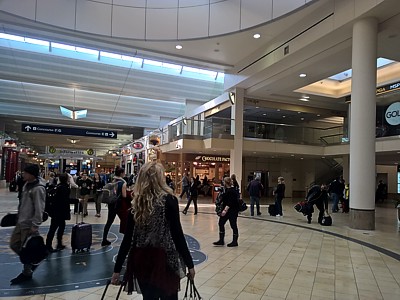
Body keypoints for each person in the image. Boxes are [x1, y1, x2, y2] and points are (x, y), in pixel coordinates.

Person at [110, 162, 195, 299]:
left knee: (149, 297)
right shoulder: (169, 200)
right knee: (169, 297)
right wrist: (189, 264)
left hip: (142, 259)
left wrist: (117, 269)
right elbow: (177, 235)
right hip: (165, 259)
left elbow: (128, 239)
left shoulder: (137, 202)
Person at [9, 164, 46, 285]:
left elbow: (39, 208)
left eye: (25, 173)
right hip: (21, 221)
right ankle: (31, 261)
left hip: (29, 224)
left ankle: (27, 271)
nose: (23, 174)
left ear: (31, 174)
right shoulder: (26, 185)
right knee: (14, 244)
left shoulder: (38, 188)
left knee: (27, 249)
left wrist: (35, 224)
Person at [101, 166, 127, 246]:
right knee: (125, 221)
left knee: (109, 222)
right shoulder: (123, 183)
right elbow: (124, 195)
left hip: (111, 204)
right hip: (119, 205)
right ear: (121, 173)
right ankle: (127, 240)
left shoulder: (113, 181)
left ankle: (104, 239)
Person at [45, 173, 71, 252]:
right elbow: (65, 200)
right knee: (54, 228)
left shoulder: (57, 187)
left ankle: (58, 243)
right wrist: (77, 200)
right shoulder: (64, 188)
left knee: (59, 226)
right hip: (60, 211)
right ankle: (49, 246)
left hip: (55, 211)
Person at [213, 176, 240, 247]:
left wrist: (225, 210)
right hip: (228, 210)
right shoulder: (226, 190)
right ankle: (221, 240)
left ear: (225, 182)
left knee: (233, 225)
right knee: (221, 223)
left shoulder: (232, 191)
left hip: (232, 211)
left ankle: (235, 241)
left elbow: (230, 202)